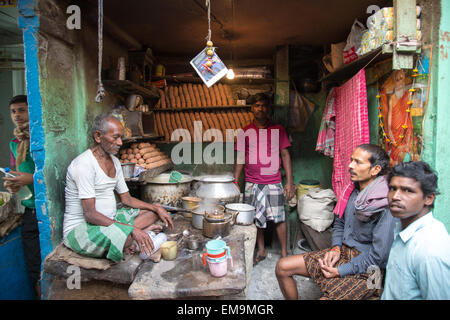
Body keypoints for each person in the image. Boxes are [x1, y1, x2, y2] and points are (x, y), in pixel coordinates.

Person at [276, 144, 397, 300]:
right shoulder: (351, 191)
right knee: (282, 267)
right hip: (345, 253)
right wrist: (335, 248)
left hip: (372, 270)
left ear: (375, 170)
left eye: (358, 162)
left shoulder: (385, 204)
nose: (350, 165)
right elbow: (339, 223)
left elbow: (379, 258)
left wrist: (341, 271)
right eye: (351, 160)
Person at [63, 113, 173, 262]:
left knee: (155, 211)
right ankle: (134, 236)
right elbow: (90, 214)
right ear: (98, 136)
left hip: (110, 219)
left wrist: (156, 208)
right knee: (125, 238)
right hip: (84, 228)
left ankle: (136, 232)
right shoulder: (83, 165)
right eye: (115, 137)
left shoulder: (114, 161)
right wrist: (131, 230)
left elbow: (126, 199)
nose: (120, 142)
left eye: (121, 137)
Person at [234, 93, 295, 263]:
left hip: (273, 181)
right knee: (256, 218)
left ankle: (284, 254)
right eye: (257, 105)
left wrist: (290, 182)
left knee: (279, 218)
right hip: (252, 182)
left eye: (264, 105)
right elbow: (240, 158)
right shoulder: (245, 132)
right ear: (252, 109)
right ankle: (260, 250)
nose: (260, 108)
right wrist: (234, 181)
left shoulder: (278, 130)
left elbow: (285, 155)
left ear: (269, 108)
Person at [382, 161, 450, 300]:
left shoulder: (429, 250)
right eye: (393, 188)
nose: (395, 196)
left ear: (428, 198)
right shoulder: (404, 231)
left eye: (407, 190)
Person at [2, 95, 41, 299]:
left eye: (22, 110)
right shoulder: (14, 143)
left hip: (48, 210)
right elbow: (17, 172)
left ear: (32, 110)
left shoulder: (41, 138)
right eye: (13, 111)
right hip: (29, 210)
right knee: (34, 267)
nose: (17, 115)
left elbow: (54, 175)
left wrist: (30, 178)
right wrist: (13, 184)